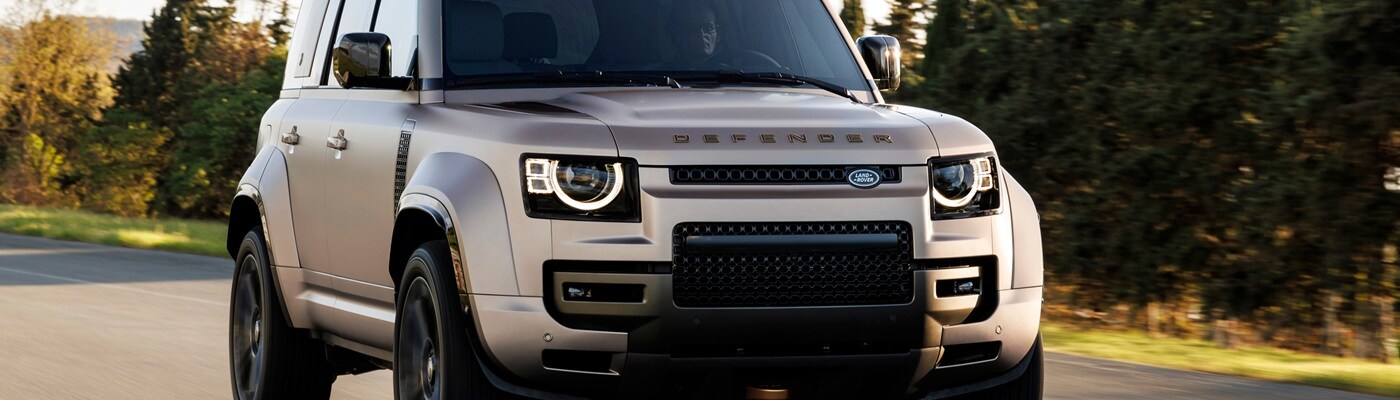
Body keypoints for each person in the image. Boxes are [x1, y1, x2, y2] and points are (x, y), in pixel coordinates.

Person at [660, 0, 730, 70]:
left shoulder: (732, 75)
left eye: (708, 27)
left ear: (718, 34)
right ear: (678, 35)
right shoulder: (662, 75)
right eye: (692, 29)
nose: (701, 34)